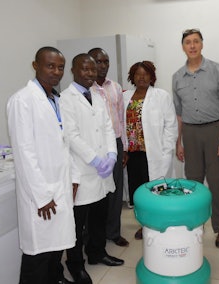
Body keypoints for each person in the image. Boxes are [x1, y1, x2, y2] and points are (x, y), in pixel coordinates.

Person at [7, 46, 75, 284]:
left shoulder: (55, 99)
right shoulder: (22, 100)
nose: (56, 71)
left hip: (59, 186)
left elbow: (64, 145)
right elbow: (24, 153)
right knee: (37, 256)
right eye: (50, 65)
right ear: (35, 65)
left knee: (55, 250)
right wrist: (42, 196)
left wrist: (71, 180)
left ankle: (56, 279)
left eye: (60, 67)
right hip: (41, 194)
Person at [59, 54, 124, 284]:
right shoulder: (66, 99)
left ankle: (97, 253)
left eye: (93, 69)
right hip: (83, 171)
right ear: (74, 71)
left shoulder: (97, 94)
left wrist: (112, 154)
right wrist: (96, 160)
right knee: (77, 223)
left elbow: (108, 127)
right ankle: (75, 265)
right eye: (84, 69)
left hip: (102, 171)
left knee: (99, 215)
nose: (90, 73)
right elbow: (71, 136)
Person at [172, 29, 219, 249]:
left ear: (202, 44)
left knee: (217, 182)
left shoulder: (218, 70)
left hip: (214, 130)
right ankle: (195, 225)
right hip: (190, 132)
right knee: (193, 182)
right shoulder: (177, 77)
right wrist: (178, 142)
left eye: (196, 41)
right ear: (183, 46)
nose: (192, 45)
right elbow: (179, 114)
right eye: (188, 42)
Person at [124, 61, 178, 240]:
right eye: (138, 74)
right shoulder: (126, 97)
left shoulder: (161, 96)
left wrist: (167, 150)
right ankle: (144, 224)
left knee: (156, 191)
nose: (142, 77)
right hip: (133, 154)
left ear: (152, 76)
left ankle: (158, 223)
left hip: (155, 153)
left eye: (145, 73)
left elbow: (171, 125)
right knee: (138, 193)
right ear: (132, 76)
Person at [88, 48, 129, 247]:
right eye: (98, 61)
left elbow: (121, 118)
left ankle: (113, 232)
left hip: (116, 144)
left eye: (106, 61)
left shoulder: (115, 87)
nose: (102, 65)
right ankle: (94, 236)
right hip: (95, 148)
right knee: (95, 193)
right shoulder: (86, 89)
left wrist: (125, 148)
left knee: (115, 191)